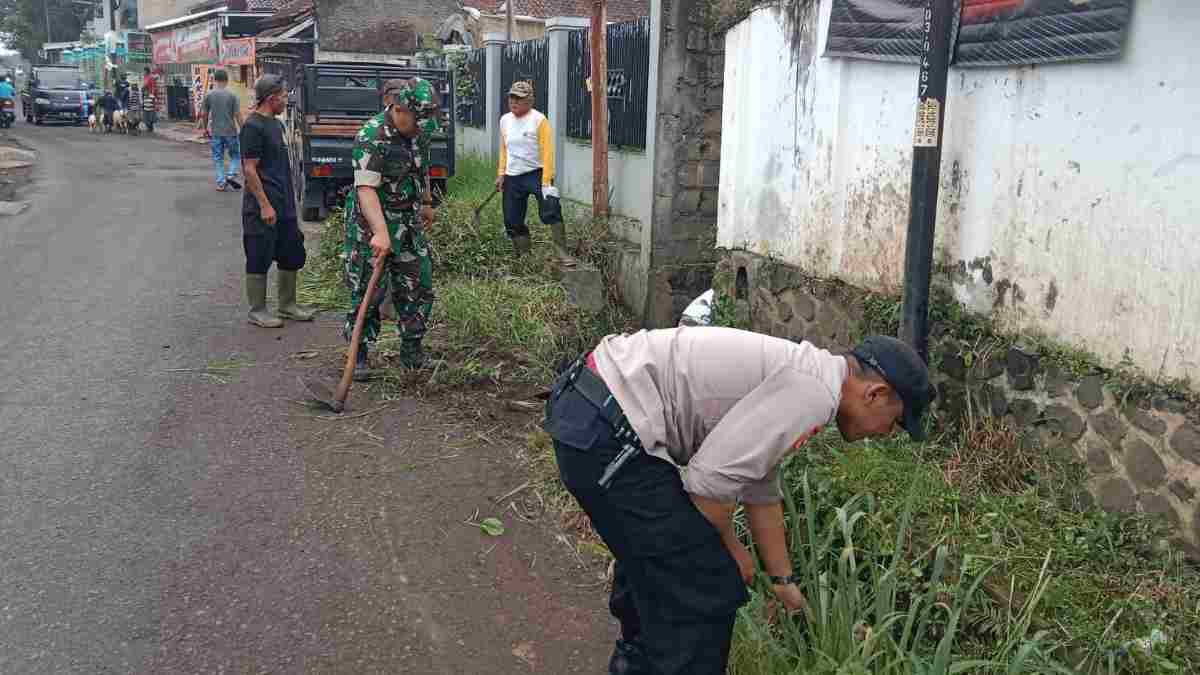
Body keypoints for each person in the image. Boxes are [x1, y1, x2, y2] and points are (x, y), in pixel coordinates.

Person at [542, 328, 935, 674]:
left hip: (594, 413)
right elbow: (707, 488)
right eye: (895, 422)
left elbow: (758, 485)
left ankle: (638, 661)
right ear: (876, 393)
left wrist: (783, 581)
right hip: (609, 431)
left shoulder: (811, 375)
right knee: (706, 586)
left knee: (663, 565)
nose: (886, 433)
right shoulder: (814, 392)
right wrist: (733, 551)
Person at [342, 78, 440, 375]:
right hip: (371, 225)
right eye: (417, 121)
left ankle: (412, 352)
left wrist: (425, 201)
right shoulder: (372, 135)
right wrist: (381, 232)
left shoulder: (419, 131)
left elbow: (421, 166)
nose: (422, 128)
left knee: (418, 286)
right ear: (398, 108)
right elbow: (366, 189)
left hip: (407, 223)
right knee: (368, 292)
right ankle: (358, 353)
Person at [239, 74, 315, 328]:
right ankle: (257, 309)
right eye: (283, 96)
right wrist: (264, 204)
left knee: (291, 252)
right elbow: (249, 169)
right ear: (271, 99)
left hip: (285, 204)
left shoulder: (277, 125)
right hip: (263, 206)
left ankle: (287, 305)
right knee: (259, 254)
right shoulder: (253, 126)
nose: (286, 100)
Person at [495, 81, 562, 257]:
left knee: (551, 210)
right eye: (512, 97)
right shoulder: (505, 120)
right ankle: (523, 257)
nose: (514, 101)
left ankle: (562, 254)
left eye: (519, 98)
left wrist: (546, 182)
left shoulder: (539, 120)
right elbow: (504, 149)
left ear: (530, 101)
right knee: (512, 219)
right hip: (513, 176)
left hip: (537, 173)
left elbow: (547, 152)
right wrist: (501, 174)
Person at [198, 69, 243, 191]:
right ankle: (231, 174)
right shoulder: (233, 96)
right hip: (231, 132)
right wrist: (243, 130)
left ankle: (221, 183)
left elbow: (204, 114)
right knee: (235, 155)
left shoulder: (209, 95)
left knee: (218, 158)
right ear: (227, 80)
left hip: (216, 133)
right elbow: (238, 114)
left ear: (214, 80)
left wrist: (205, 129)